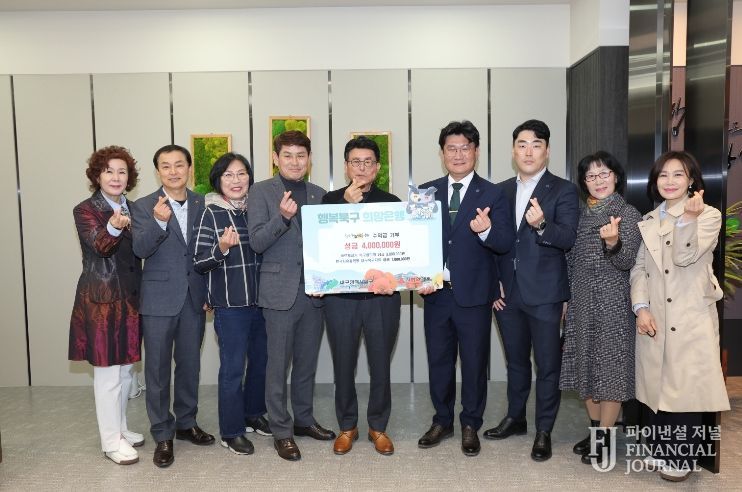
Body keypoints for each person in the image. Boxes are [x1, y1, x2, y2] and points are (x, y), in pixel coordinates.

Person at [416, 120, 515, 457]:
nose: (458, 155)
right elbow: (417, 243)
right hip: (436, 294)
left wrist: (486, 230)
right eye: (451, 149)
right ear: (442, 153)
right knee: (439, 362)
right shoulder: (426, 192)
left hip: (474, 295)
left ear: (476, 151)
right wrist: (418, 277)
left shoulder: (493, 193)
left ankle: (470, 423)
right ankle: (442, 420)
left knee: (473, 363)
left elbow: (505, 242)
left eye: (465, 148)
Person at [630, 150, 730, 482]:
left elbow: (685, 257)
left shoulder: (708, 215)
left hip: (690, 315)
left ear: (691, 181)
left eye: (678, 174)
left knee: (684, 388)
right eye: (663, 175)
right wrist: (641, 307)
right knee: (658, 384)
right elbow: (639, 269)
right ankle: (660, 449)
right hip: (655, 315)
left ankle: (682, 456)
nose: (670, 181)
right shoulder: (649, 220)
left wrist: (687, 220)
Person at [485, 119, 579, 462]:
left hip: (545, 294)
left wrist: (542, 225)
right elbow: (495, 243)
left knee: (548, 365)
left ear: (547, 151)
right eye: (522, 145)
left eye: (536, 145)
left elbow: (568, 238)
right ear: (513, 151)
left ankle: (544, 430)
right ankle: (515, 418)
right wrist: (494, 280)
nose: (528, 152)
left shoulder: (564, 190)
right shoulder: (500, 191)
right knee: (516, 362)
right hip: (507, 294)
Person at [247, 130, 336, 461]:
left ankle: (304, 420)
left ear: (309, 159)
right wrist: (282, 218)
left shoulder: (319, 193)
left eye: (301, 155)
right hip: (278, 292)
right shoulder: (260, 192)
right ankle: (281, 431)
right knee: (277, 366)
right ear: (276, 158)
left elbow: (330, 243)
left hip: (314, 291)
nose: (295, 161)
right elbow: (257, 241)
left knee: (306, 363)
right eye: (288, 155)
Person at [131, 144, 213, 468]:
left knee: (190, 366)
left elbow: (208, 252)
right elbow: (140, 249)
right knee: (158, 370)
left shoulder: (204, 203)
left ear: (189, 168)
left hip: (194, 297)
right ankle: (162, 433)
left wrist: (209, 292)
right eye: (166, 166)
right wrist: (158, 223)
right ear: (158, 172)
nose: (173, 171)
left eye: (179, 164)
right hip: (158, 300)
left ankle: (186, 423)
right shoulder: (143, 206)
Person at [558, 151, 642, 464]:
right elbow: (569, 261)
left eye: (604, 173)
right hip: (581, 303)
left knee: (610, 374)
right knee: (586, 369)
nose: (598, 181)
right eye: (591, 176)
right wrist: (566, 299)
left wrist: (612, 243)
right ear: (584, 182)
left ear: (616, 177)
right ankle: (595, 431)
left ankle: (604, 437)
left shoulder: (628, 214)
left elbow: (628, 262)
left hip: (614, 306)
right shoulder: (581, 216)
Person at [321, 137, 401, 456]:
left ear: (377, 167)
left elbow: (401, 251)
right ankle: (347, 426)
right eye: (356, 161)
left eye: (368, 162)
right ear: (346, 166)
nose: (362, 167)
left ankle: (378, 427)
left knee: (381, 365)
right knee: (343, 366)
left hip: (382, 300)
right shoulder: (329, 202)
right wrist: (346, 206)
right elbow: (323, 245)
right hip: (341, 300)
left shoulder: (392, 203)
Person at [69, 145, 143, 465]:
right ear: (97, 176)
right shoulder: (85, 210)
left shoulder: (135, 208)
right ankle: (110, 442)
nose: (115, 177)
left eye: (122, 171)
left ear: (129, 177)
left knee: (126, 372)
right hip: (101, 303)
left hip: (130, 300)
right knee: (108, 375)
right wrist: (114, 226)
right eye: (108, 171)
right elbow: (100, 245)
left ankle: (121, 430)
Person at [193, 152, 271, 456]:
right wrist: (222, 248)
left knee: (261, 364)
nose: (236, 180)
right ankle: (231, 431)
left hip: (262, 303)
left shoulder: (256, 210)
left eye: (241, 174)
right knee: (233, 370)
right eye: (228, 175)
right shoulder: (210, 213)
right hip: (230, 306)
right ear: (218, 180)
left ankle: (254, 414)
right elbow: (199, 261)